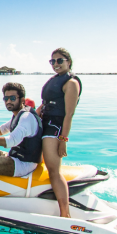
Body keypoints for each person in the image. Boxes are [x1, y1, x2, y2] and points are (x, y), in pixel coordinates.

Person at [37, 47, 81, 218]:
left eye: (59, 60)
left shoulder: (71, 83)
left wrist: (63, 139)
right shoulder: (54, 80)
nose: (55, 64)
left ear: (68, 62)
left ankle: (65, 214)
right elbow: (44, 104)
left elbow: (69, 114)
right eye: (52, 61)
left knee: (54, 170)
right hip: (43, 124)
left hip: (54, 129)